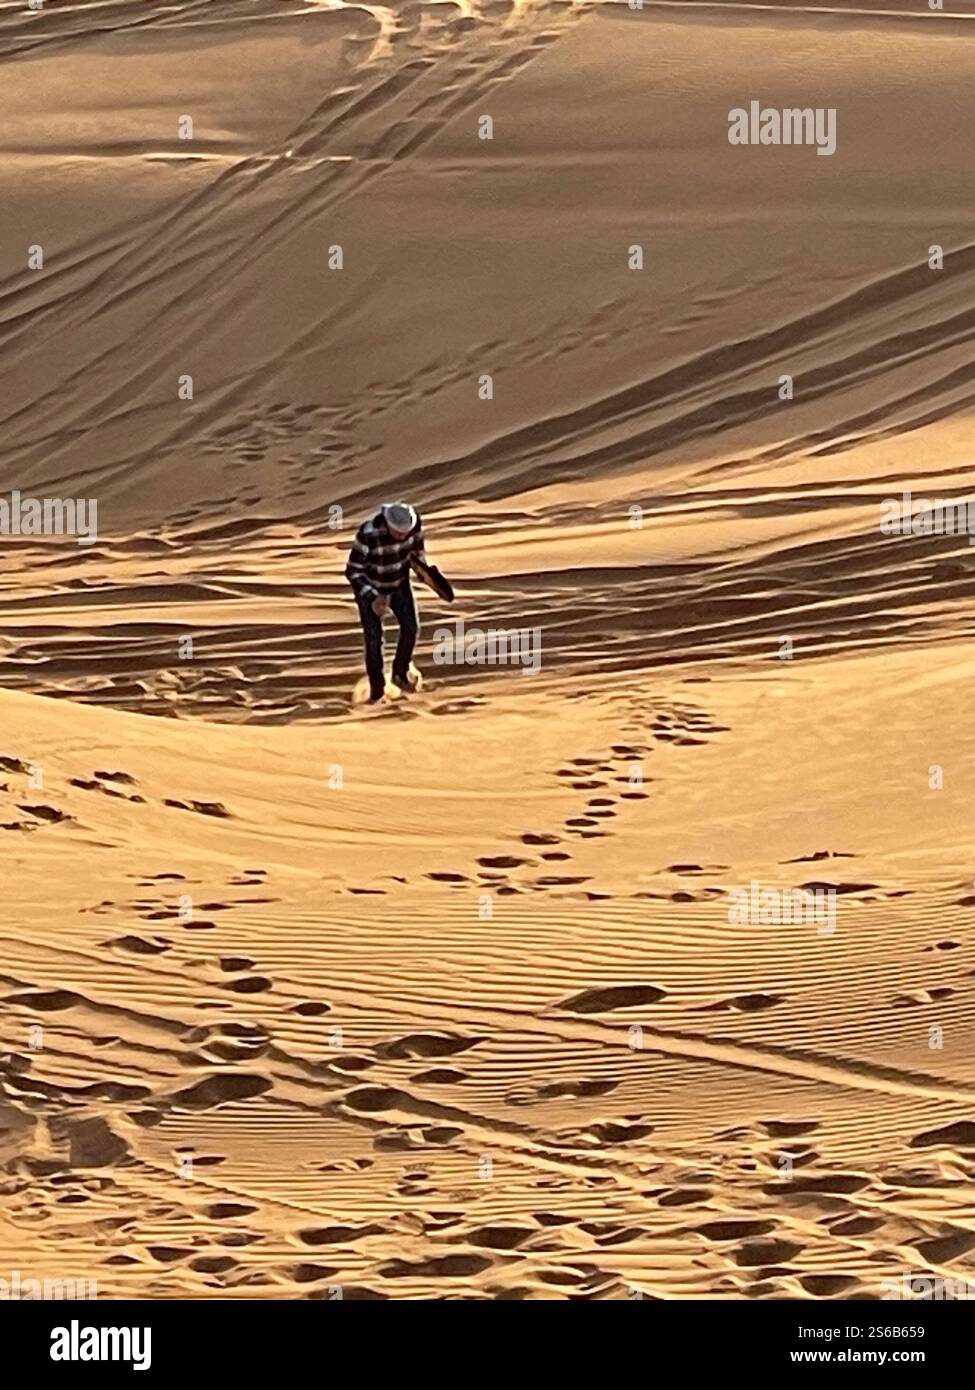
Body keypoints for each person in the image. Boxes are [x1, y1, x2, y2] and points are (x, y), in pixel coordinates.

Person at [346, 502, 426, 703]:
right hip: (371, 588)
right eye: (398, 533)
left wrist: (424, 571)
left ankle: (400, 672)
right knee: (374, 641)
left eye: (406, 533)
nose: (403, 537)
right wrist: (373, 597)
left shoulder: (413, 526)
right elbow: (353, 570)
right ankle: (377, 691)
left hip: (399, 583)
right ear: (388, 525)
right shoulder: (368, 532)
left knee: (411, 628)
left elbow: (417, 553)